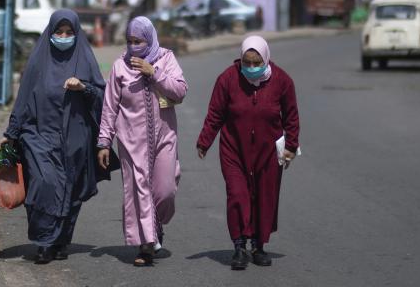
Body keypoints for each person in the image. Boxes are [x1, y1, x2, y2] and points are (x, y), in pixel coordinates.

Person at [0, 9, 113, 264]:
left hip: (74, 138)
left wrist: (83, 87)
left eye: (69, 32)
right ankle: (43, 241)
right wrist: (12, 132)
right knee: (43, 183)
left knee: (71, 192)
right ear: (50, 33)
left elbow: (102, 97)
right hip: (38, 134)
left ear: (76, 34)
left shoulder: (84, 58)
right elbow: (24, 97)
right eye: (58, 32)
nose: (63, 36)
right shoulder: (39, 60)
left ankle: (61, 240)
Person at [196, 36, 300, 271]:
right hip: (234, 149)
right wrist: (204, 141)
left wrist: (291, 146)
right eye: (247, 62)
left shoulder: (282, 81)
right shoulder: (228, 79)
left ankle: (258, 245)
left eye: (256, 63)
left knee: (265, 197)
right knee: (237, 195)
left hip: (267, 152)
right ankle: (239, 246)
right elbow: (215, 113)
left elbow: (291, 116)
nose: (251, 68)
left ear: (266, 59)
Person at [97, 16, 188, 266]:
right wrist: (104, 141)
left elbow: (180, 91)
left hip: (164, 137)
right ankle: (146, 245)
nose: (134, 46)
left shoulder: (166, 59)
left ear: (149, 39)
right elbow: (109, 106)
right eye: (130, 41)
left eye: (139, 41)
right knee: (139, 191)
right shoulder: (119, 67)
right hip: (131, 140)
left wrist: (154, 72)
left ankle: (155, 226)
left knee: (165, 191)